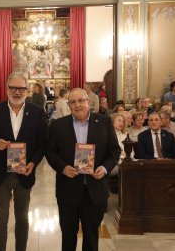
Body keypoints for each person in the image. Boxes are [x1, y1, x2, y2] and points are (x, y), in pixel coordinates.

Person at [46, 88, 120, 251]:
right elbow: (50, 152)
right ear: (68, 104)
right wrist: (63, 167)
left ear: (89, 102)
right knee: (68, 236)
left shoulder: (104, 122)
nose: (77, 105)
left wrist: (104, 168)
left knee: (91, 236)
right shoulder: (58, 125)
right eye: (72, 102)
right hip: (68, 189)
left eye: (81, 101)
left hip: (94, 189)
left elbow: (114, 151)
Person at [0, 72, 46, 251]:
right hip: (0, 173)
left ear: (27, 90)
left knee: (22, 218)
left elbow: (42, 145)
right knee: (0, 219)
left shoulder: (37, 112)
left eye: (21, 88)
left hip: (25, 172)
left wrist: (33, 163)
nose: (17, 92)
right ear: (7, 88)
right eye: (13, 88)